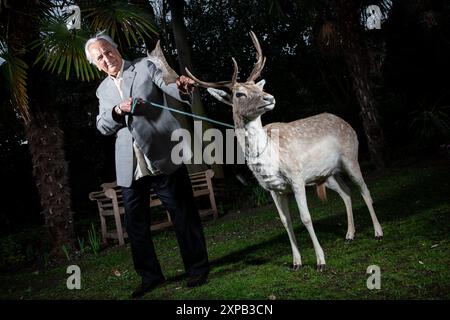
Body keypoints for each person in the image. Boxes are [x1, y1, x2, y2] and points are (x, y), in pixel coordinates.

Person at [85, 33, 210, 298]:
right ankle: (150, 276)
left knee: (182, 212)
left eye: (108, 51)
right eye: (100, 57)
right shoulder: (102, 90)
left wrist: (184, 88)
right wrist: (118, 110)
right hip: (130, 164)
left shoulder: (144, 66)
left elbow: (169, 86)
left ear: (116, 49)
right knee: (136, 224)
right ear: (95, 65)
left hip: (162, 152)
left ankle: (197, 268)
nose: (106, 58)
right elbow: (103, 126)